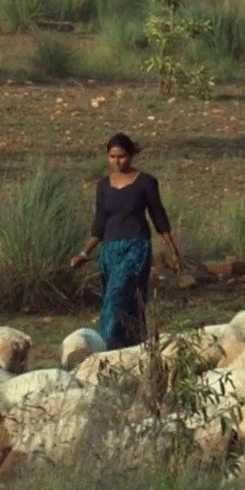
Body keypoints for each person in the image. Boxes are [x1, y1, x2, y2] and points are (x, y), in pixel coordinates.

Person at [69, 133, 183, 349]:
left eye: (121, 156)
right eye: (112, 157)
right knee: (125, 300)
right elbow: (100, 222)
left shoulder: (146, 182)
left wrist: (172, 250)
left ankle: (103, 347)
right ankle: (134, 346)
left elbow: (158, 215)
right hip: (109, 250)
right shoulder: (103, 185)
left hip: (136, 247)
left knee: (116, 296)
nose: (116, 161)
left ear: (131, 155)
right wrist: (84, 253)